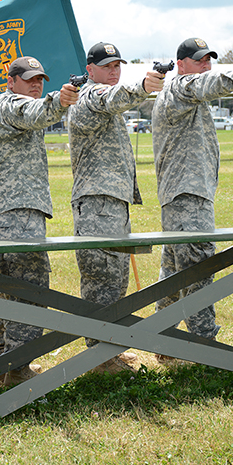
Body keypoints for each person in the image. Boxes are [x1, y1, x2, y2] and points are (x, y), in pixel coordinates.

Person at [151, 37, 233, 362]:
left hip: (182, 195)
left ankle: (164, 342)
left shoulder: (186, 95)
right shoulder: (181, 87)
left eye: (209, 60)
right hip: (188, 196)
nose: (206, 66)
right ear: (181, 64)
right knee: (198, 270)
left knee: (174, 273)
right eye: (199, 60)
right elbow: (206, 83)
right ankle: (205, 350)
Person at [68, 42, 165, 375]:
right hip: (97, 204)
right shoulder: (89, 98)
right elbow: (110, 97)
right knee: (101, 282)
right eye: (107, 66)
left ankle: (110, 349)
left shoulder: (108, 103)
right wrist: (140, 87)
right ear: (90, 70)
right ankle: (99, 358)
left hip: (112, 204)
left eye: (118, 65)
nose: (114, 70)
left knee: (115, 282)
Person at [0, 56, 78, 386]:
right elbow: (33, 112)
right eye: (29, 79)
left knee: (11, 287)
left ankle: (0, 359)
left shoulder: (18, 106)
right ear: (11, 82)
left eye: (40, 80)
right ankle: (17, 368)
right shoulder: (8, 105)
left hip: (18, 210)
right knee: (29, 287)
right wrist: (58, 101)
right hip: (15, 211)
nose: (36, 84)